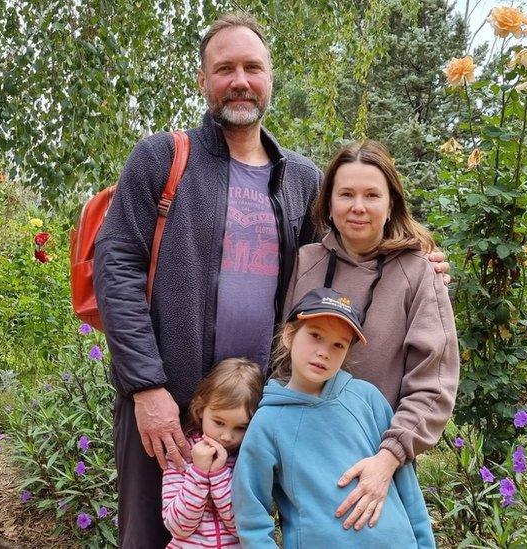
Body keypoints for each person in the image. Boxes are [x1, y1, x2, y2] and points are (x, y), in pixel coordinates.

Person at [94, 13, 451, 546]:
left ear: (270, 77)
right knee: (152, 535)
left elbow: (348, 247)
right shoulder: (162, 159)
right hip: (172, 404)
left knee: (251, 535)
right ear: (203, 79)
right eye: (225, 68)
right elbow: (116, 267)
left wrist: (415, 250)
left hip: (263, 414)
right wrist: (146, 387)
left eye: (252, 67)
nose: (240, 79)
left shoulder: (302, 179)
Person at [283, 140, 460, 532]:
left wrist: (387, 460)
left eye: (371, 195)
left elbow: (434, 385)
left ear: (391, 202)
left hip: (377, 465)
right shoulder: (306, 262)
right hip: (306, 462)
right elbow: (282, 357)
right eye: (345, 194)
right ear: (327, 203)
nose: (357, 207)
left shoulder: (419, 272)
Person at [232, 287, 436, 548]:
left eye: (338, 344)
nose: (324, 352)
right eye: (315, 336)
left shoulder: (368, 398)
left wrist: (425, 543)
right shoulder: (268, 422)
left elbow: (407, 485)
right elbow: (250, 512)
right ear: (289, 335)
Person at [161, 358, 263, 548]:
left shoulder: (246, 459)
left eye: (240, 427)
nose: (226, 436)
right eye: (219, 422)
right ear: (200, 409)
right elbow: (178, 527)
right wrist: (198, 473)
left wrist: (219, 475)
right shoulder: (181, 455)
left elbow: (242, 526)